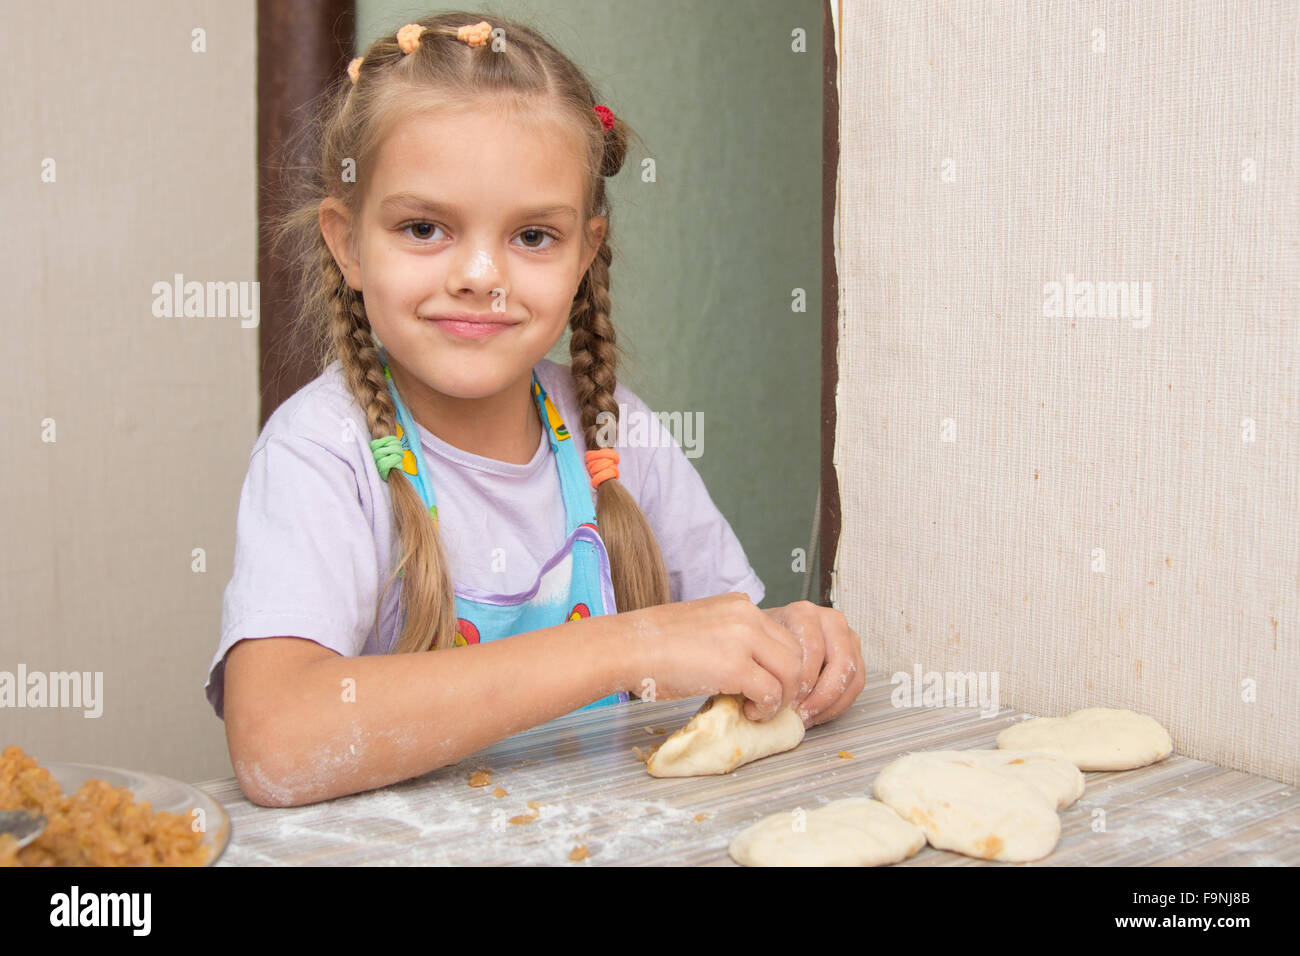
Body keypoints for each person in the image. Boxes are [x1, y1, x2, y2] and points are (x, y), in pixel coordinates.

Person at [206, 12, 865, 808]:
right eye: (424, 227)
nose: (482, 274)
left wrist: (793, 643)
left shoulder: (613, 431)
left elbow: (725, 639)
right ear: (347, 243)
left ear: (585, 253)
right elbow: (278, 743)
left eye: (532, 236)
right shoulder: (322, 452)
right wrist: (623, 647)